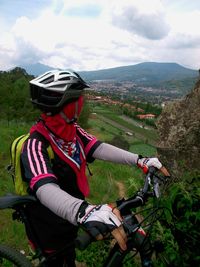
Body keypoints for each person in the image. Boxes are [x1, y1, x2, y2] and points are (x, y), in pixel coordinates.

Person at [21, 69, 169, 267]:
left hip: (70, 221)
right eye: (78, 99)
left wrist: (140, 160)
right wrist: (83, 211)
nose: (82, 103)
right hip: (50, 227)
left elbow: (98, 147)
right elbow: (44, 187)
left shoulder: (72, 131)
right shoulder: (35, 144)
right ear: (68, 105)